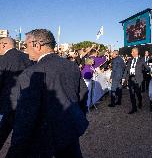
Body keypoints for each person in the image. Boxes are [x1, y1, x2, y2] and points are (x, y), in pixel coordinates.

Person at [6, 29, 89, 158]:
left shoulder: (32, 73)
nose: (25, 49)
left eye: (26, 45)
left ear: (36, 45)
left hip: (44, 141)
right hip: (69, 134)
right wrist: (74, 121)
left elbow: (25, 118)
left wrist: (15, 150)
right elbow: (82, 96)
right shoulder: (71, 66)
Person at [0, 38, 32, 149]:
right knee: (19, 140)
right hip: (25, 103)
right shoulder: (27, 58)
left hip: (6, 104)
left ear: (4, 44)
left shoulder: (3, 60)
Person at [123, 47, 150, 114]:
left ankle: (140, 101)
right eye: (131, 52)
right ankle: (134, 108)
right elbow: (126, 70)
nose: (131, 53)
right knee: (132, 94)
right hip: (130, 79)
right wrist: (124, 79)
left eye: (133, 52)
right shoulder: (129, 60)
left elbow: (148, 68)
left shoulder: (141, 60)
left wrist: (143, 72)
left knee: (138, 93)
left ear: (136, 52)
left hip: (138, 79)